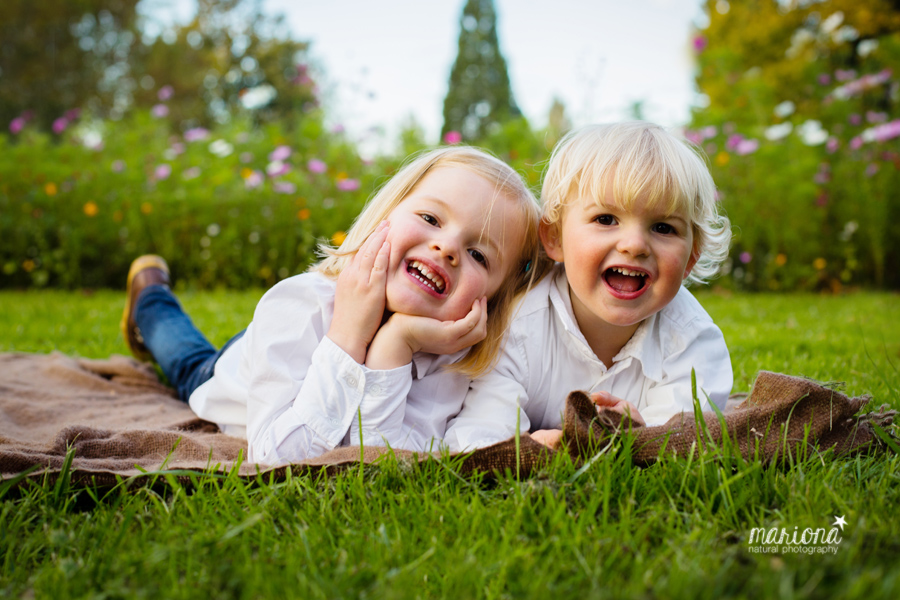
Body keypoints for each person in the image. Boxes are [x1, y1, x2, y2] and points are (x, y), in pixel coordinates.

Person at [120, 146, 544, 465]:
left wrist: (397, 343)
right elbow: (275, 458)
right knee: (186, 359)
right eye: (431, 219)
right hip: (231, 375)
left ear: (496, 296)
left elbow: (384, 460)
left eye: (479, 255)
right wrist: (347, 335)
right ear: (386, 214)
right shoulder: (297, 304)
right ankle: (150, 294)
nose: (447, 247)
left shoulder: (460, 360)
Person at [442, 121, 734, 451]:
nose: (635, 244)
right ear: (555, 238)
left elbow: (690, 438)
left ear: (690, 259)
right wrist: (528, 448)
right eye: (606, 219)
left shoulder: (691, 338)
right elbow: (476, 436)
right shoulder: (518, 327)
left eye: (664, 228)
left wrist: (645, 434)